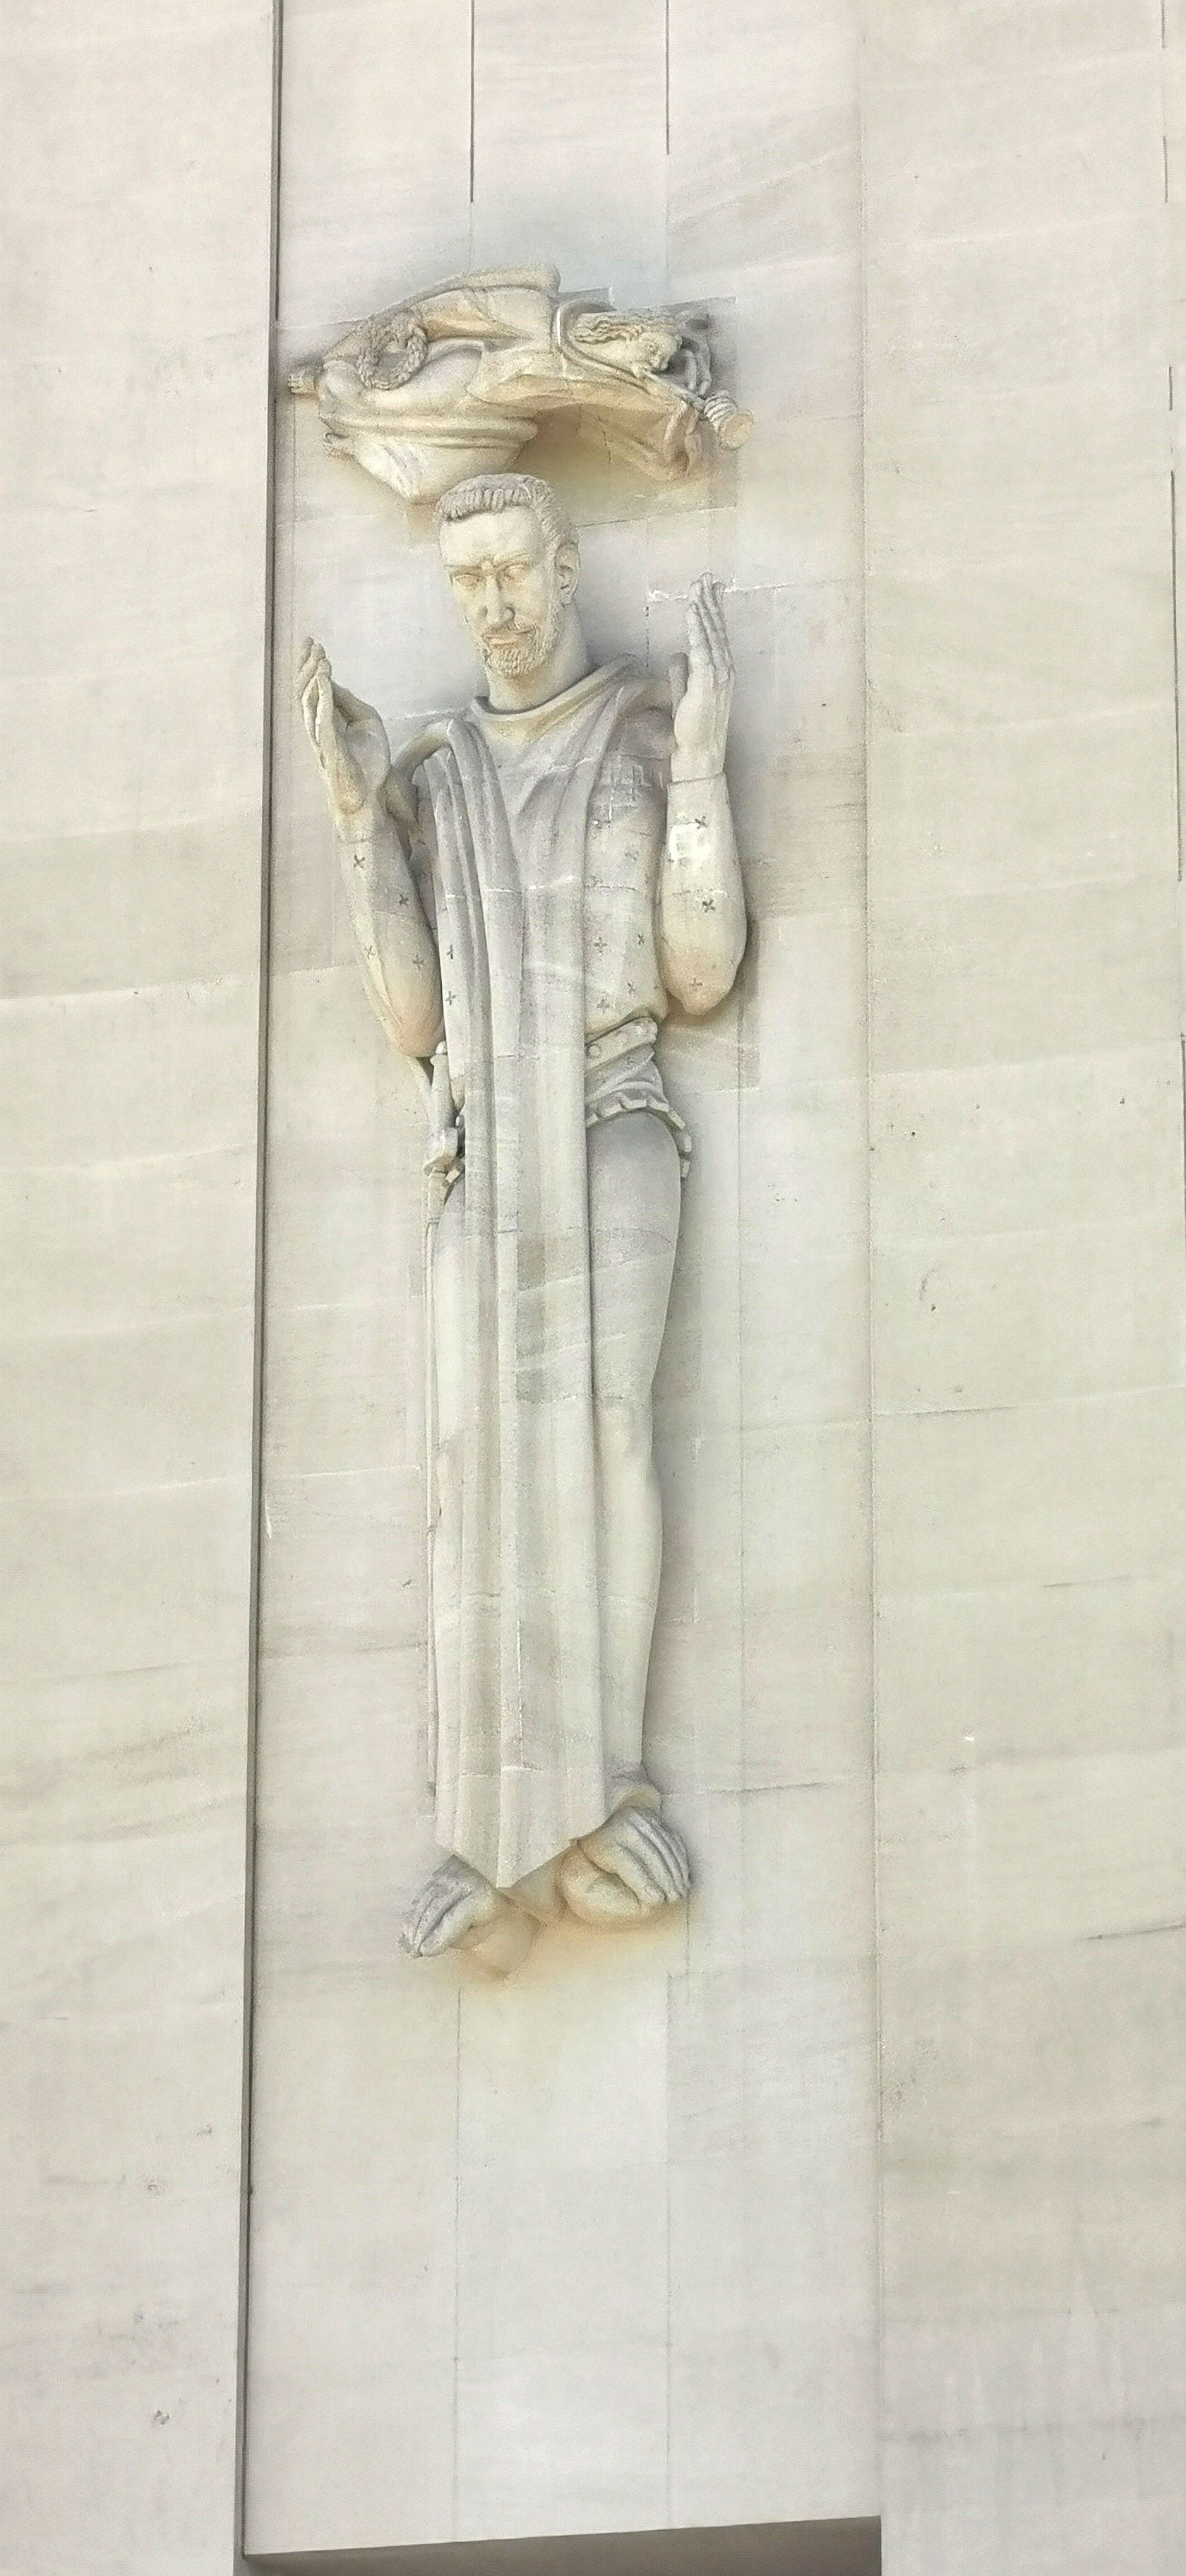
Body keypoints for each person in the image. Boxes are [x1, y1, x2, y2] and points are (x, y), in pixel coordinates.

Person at [299, 472, 745, 1972]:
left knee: (608, 1430)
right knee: (463, 1455)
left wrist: (702, 764)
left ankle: (602, 1794)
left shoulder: (636, 734)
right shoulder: (436, 778)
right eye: (466, 580)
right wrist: (358, 817)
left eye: (512, 571)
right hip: (485, 1149)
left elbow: (699, 971)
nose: (492, 606)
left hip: (612, 1110)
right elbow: (412, 1018)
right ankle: (490, 1834)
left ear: (564, 567)